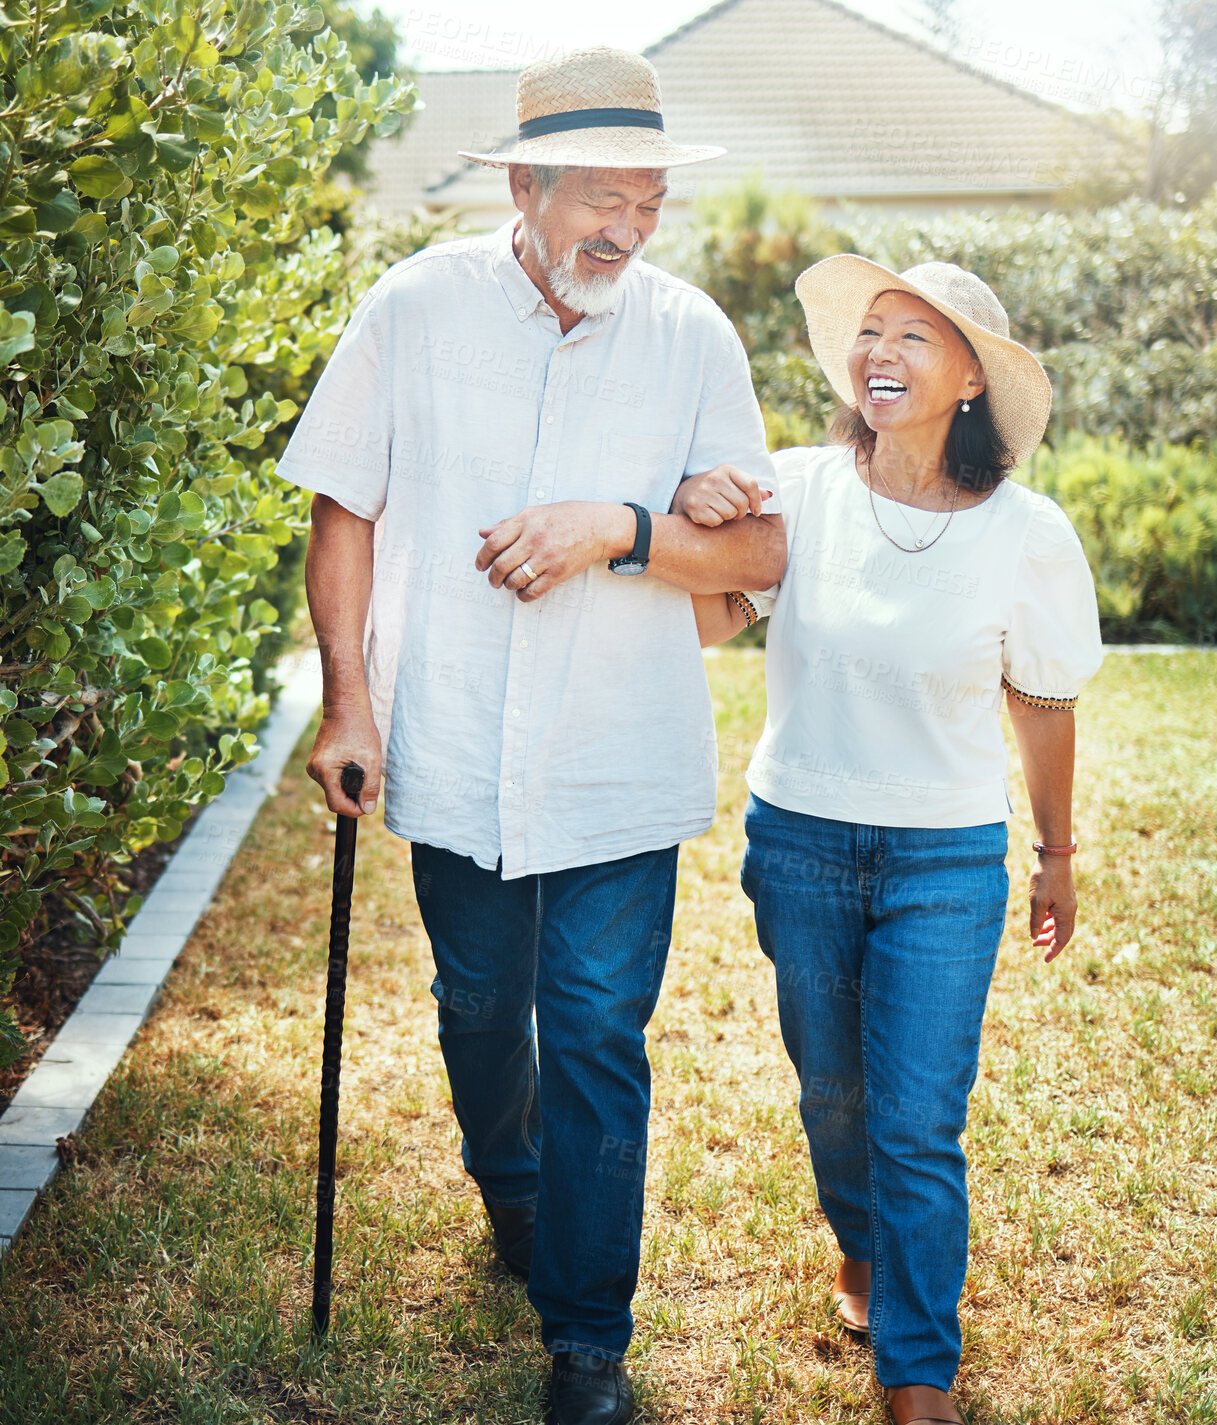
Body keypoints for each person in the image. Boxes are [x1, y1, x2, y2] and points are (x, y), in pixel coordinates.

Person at [277, 47, 785, 1425]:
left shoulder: (690, 335)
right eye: (602, 197)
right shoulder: (414, 308)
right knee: (480, 1009)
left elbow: (757, 552)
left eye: (649, 200)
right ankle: (506, 1185)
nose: (626, 226)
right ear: (526, 181)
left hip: (618, 758)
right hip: (448, 745)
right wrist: (348, 701)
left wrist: (619, 528)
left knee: (599, 1037)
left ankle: (586, 1345)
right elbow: (342, 507)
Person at [678, 255, 1103, 1425]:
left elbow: (1045, 701)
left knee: (917, 1117)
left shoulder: (1025, 531)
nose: (880, 353)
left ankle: (916, 1373)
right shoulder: (799, 489)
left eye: (914, 337)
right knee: (833, 1094)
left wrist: (1053, 853)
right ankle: (856, 1245)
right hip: (799, 840)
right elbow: (713, 613)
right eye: (870, 331)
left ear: (970, 378)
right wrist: (679, 525)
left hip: (944, 860)